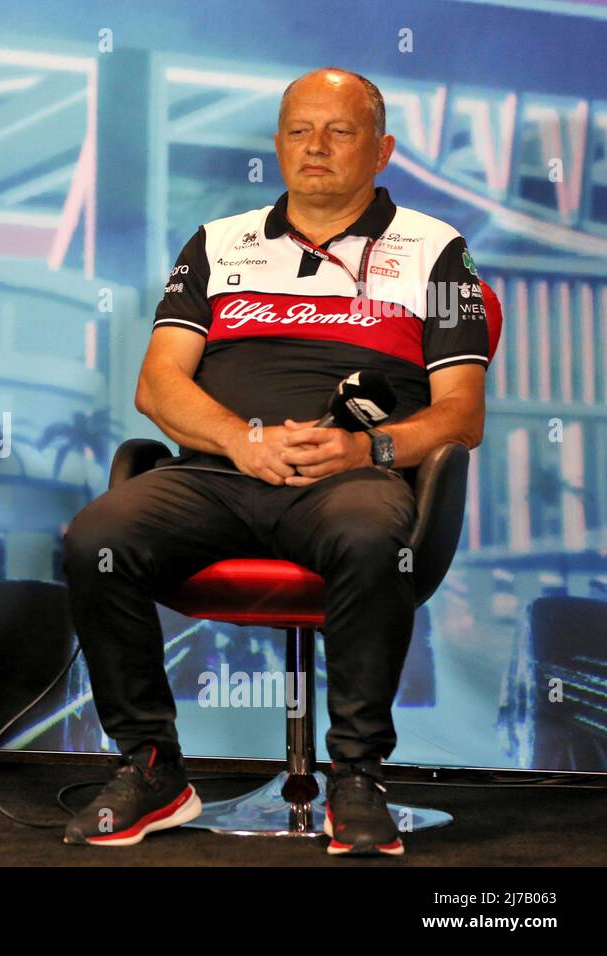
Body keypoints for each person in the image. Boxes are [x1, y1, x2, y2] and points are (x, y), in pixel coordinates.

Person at [61, 68, 489, 854]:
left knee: (368, 534)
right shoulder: (219, 241)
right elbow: (158, 385)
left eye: (339, 131)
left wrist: (369, 447)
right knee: (96, 537)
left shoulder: (438, 250)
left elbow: (462, 413)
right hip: (220, 471)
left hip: (349, 480)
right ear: (277, 145)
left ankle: (355, 777)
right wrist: (241, 441)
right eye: (298, 131)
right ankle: (153, 766)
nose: (315, 147)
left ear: (383, 148)